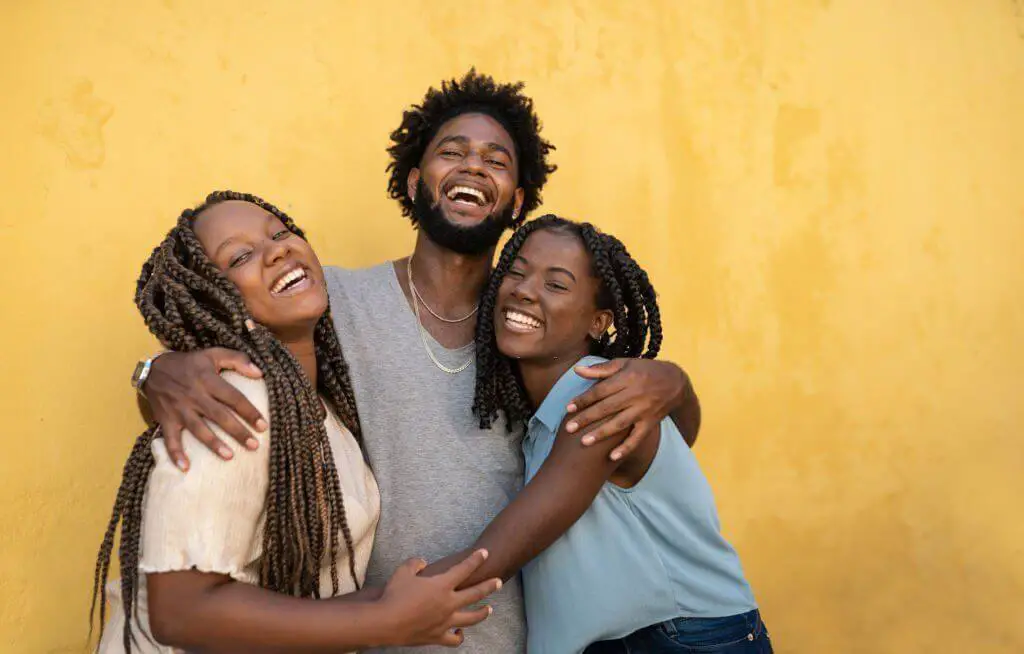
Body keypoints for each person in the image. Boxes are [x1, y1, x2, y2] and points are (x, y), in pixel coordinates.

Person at [136, 71, 702, 652]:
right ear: (413, 183)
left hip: (501, 638)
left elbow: (640, 438)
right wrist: (155, 373)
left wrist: (674, 385)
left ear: (518, 204)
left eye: (497, 161)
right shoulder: (328, 302)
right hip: (370, 634)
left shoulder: (528, 328)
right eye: (451, 152)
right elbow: (229, 372)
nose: (473, 166)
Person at [92, 192, 500, 653]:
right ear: (211, 297)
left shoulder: (315, 406)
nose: (278, 250)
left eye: (280, 233)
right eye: (241, 256)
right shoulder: (234, 402)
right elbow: (180, 610)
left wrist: (385, 609)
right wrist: (383, 620)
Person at [424, 215, 772, 653]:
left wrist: (364, 612)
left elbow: (494, 559)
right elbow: (681, 439)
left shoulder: (600, 402)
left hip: (681, 640)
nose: (524, 290)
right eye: (516, 271)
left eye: (556, 285)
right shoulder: (545, 416)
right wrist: (676, 384)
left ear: (597, 321)